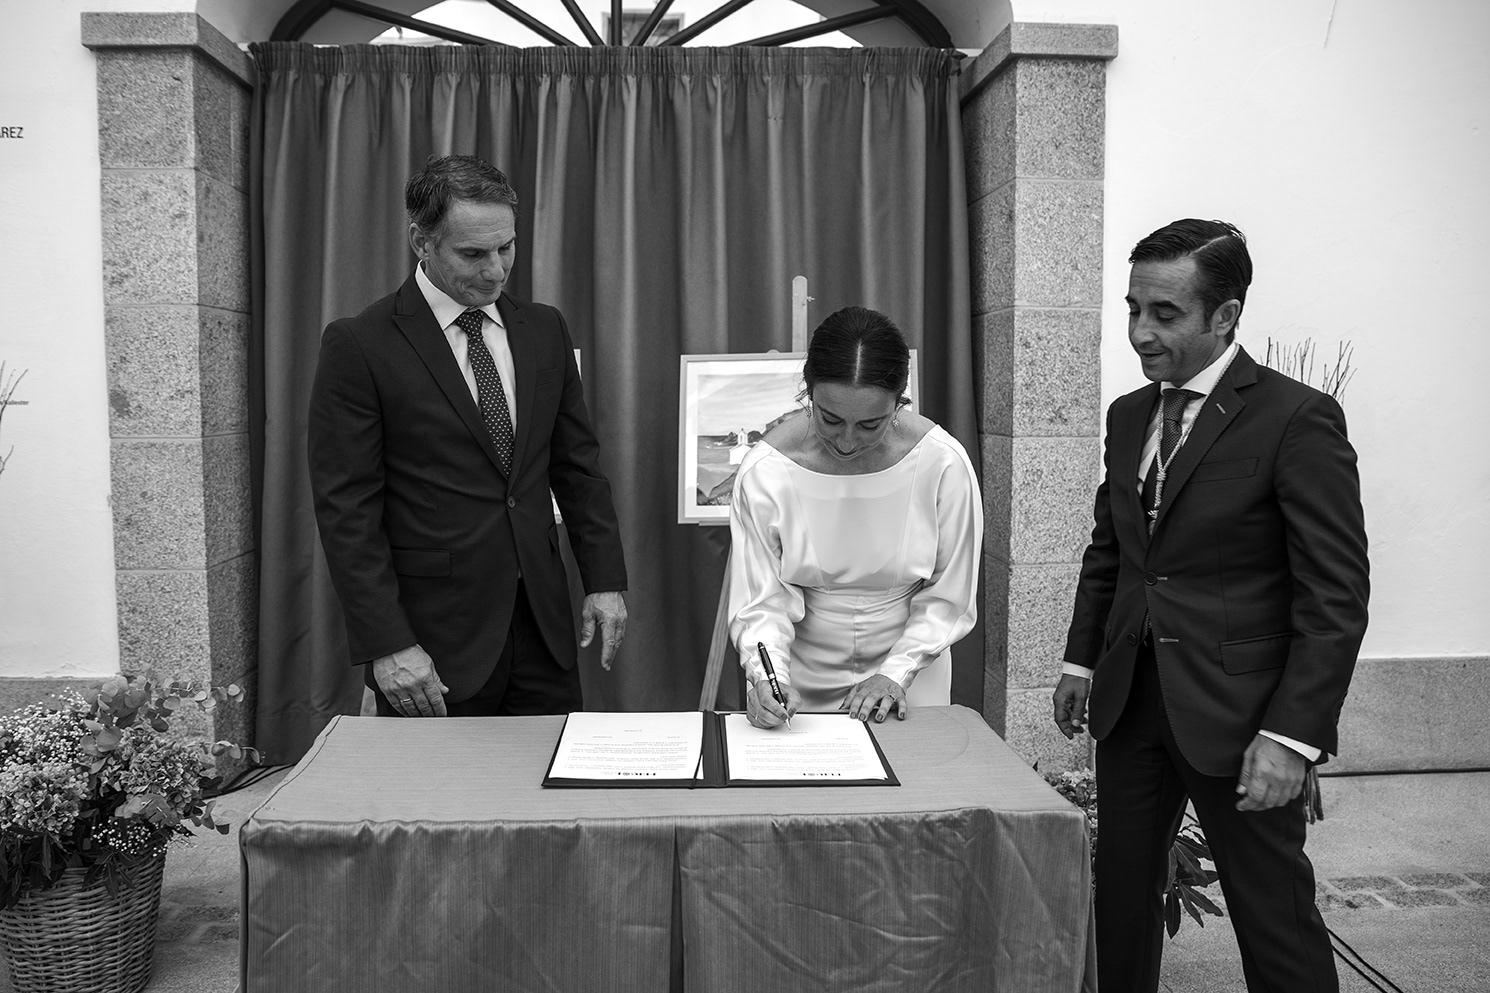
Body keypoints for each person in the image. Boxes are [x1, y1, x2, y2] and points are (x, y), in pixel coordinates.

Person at [1052, 219, 1369, 992]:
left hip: (1241, 719)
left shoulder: (1297, 418)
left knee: (1273, 916)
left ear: (1225, 315)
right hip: (1131, 704)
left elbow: (1335, 596)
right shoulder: (1128, 414)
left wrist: (1291, 736)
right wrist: (1080, 660)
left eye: (1165, 313)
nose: (1140, 332)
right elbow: (1114, 551)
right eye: (1134, 309)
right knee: (1119, 898)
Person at [308, 154, 629, 719]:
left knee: (548, 773)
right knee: (440, 779)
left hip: (543, 630)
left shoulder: (544, 329)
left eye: (506, 247)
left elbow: (576, 466)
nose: (496, 271)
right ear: (421, 242)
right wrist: (388, 643)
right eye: (473, 254)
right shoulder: (360, 344)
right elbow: (347, 509)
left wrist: (603, 581)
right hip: (432, 643)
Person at [729, 306, 982, 727]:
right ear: (808, 393)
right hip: (799, 673)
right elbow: (761, 602)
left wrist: (897, 672)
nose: (847, 443)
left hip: (913, 667)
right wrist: (768, 677)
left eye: (870, 424)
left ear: (899, 401)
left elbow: (949, 595)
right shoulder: (766, 471)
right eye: (830, 419)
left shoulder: (942, 463)